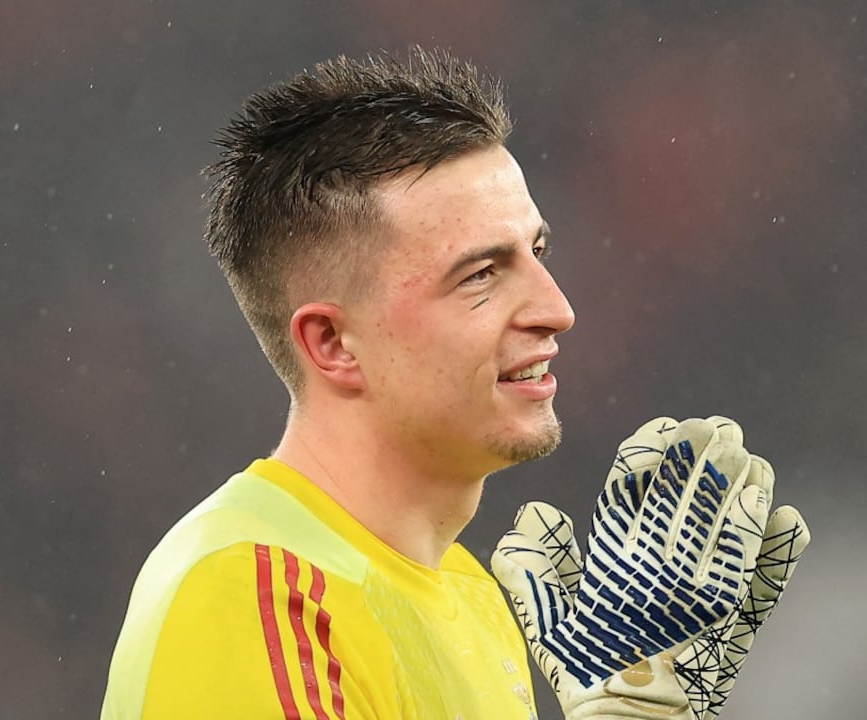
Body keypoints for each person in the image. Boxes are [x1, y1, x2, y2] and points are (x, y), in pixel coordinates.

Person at [101, 47, 808, 720]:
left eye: (537, 252)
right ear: (332, 343)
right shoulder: (256, 592)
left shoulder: (469, 597)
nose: (557, 308)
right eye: (480, 274)